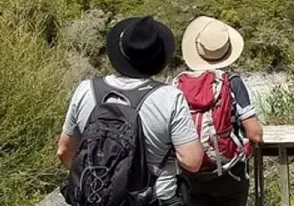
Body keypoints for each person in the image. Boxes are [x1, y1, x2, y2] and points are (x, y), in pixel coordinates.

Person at [57, 16, 205, 206]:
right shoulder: (170, 97)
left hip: (96, 197)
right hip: (153, 199)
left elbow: (64, 151)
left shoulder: (86, 89)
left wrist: (101, 183)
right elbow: (192, 161)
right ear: (158, 58)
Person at [177, 16, 264, 206]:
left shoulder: (179, 84)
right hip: (229, 174)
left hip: (191, 174)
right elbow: (255, 134)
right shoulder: (232, 83)